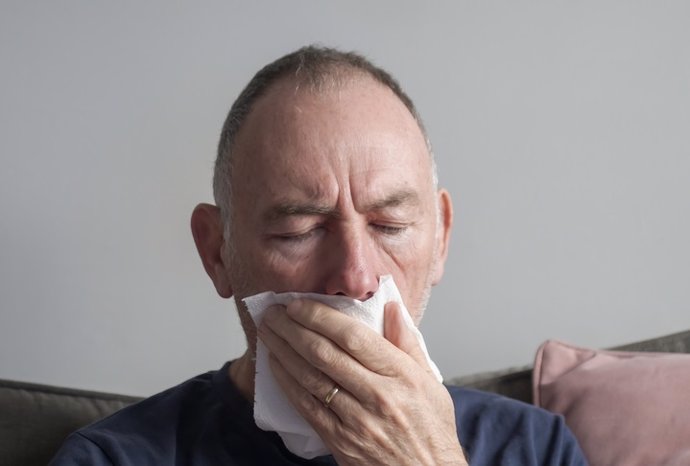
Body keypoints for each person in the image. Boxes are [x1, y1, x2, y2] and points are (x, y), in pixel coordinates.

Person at [50, 46, 587, 465]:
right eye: (299, 230)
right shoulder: (112, 458)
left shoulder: (536, 447)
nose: (356, 278)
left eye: (390, 225)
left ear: (441, 237)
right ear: (216, 252)